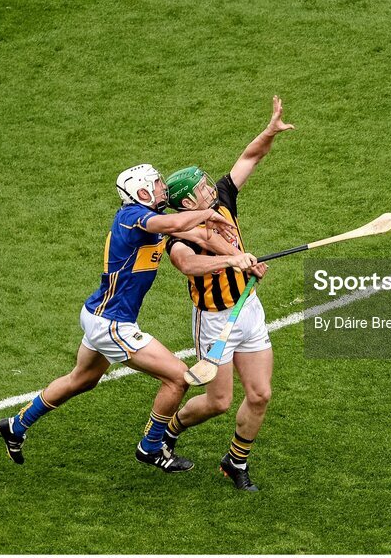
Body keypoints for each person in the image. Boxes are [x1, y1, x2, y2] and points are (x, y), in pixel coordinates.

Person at [0, 163, 260, 472]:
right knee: (176, 377)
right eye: (157, 185)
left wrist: (238, 256)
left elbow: (199, 235)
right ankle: (150, 448)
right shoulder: (134, 217)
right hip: (113, 324)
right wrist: (207, 215)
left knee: (81, 380)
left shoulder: (152, 222)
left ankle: (15, 425)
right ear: (141, 192)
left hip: (98, 315)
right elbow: (178, 224)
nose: (164, 189)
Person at [161, 95, 294, 491]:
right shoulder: (177, 233)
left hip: (248, 309)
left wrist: (268, 132)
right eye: (201, 188)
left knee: (260, 393)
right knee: (218, 402)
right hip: (215, 320)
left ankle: (236, 461)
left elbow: (249, 158)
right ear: (187, 202)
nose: (210, 188)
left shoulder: (223, 200)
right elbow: (187, 265)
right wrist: (233, 261)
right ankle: (167, 430)